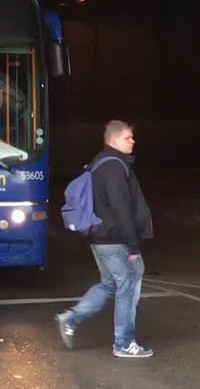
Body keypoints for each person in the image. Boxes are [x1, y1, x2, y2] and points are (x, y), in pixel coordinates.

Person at [55, 120, 155, 358]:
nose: (133, 141)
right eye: (128, 137)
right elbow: (121, 208)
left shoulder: (101, 162)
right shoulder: (113, 166)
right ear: (114, 139)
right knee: (128, 286)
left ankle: (71, 318)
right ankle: (124, 343)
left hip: (103, 238)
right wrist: (133, 245)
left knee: (111, 284)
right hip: (115, 239)